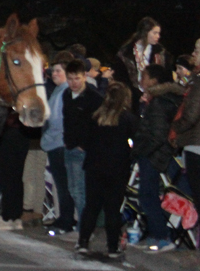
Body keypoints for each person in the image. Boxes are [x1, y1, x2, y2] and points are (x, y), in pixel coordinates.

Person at [76, 82, 137, 258]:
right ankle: (112, 247)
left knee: (91, 206)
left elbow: (84, 142)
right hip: (117, 168)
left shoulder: (96, 117)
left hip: (94, 166)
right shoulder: (127, 118)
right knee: (113, 208)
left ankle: (83, 241)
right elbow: (136, 141)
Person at [133, 63, 184, 252]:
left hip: (154, 154)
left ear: (154, 80)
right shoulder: (166, 98)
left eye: (144, 77)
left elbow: (157, 133)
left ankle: (161, 236)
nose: (141, 81)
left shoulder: (160, 102)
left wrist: (140, 150)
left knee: (148, 195)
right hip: (157, 152)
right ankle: (155, 235)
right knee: (149, 194)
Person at [61, 59, 103, 235]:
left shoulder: (94, 98)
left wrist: (84, 145)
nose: (73, 83)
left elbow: (97, 125)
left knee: (80, 190)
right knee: (73, 189)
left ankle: (84, 229)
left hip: (83, 149)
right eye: (70, 79)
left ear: (84, 76)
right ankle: (83, 227)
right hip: (70, 146)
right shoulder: (66, 95)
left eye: (77, 78)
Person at [171, 37, 200, 252]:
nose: (193, 53)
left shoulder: (199, 80)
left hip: (197, 145)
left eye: (197, 49)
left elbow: (191, 114)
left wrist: (175, 128)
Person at [41, 57, 76, 233]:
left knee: (63, 184)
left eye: (58, 71)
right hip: (57, 141)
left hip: (58, 142)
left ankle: (66, 219)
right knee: (62, 184)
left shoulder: (63, 91)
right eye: (53, 71)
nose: (54, 74)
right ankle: (65, 217)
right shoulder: (59, 90)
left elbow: (56, 119)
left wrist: (47, 134)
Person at [114, 17, 170, 109]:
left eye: (158, 33)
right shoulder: (126, 53)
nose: (158, 36)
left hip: (155, 98)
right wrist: (137, 95)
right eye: (155, 33)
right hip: (131, 99)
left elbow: (166, 77)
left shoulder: (161, 53)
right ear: (145, 32)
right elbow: (121, 78)